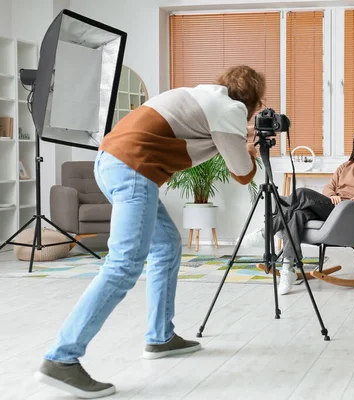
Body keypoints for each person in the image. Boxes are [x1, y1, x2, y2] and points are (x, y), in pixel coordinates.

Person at [34, 65, 264, 399]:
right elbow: (242, 173)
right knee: (124, 264)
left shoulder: (200, 94)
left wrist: (240, 145)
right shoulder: (231, 109)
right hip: (133, 169)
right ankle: (62, 358)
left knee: (167, 244)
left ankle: (161, 336)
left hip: (112, 164)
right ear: (253, 101)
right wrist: (249, 151)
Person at [242, 128, 354, 295]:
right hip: (330, 207)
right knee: (297, 214)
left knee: (300, 193)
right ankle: (288, 268)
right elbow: (328, 187)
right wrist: (332, 194)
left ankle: (267, 231)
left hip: (347, 214)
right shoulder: (346, 166)